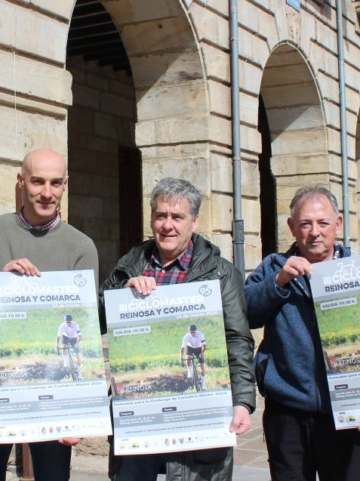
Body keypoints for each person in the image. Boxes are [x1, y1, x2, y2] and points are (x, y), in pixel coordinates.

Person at [100, 177, 255, 481]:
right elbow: (98, 320)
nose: (167, 225)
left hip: (198, 414)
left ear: (194, 222)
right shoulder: (130, 264)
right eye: (161, 216)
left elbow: (237, 339)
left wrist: (243, 401)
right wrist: (121, 290)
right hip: (139, 415)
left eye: (177, 217)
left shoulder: (221, 273)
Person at [0, 148, 99, 481]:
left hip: (56, 382)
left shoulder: (81, 247)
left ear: (66, 185)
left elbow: (86, 330)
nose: (46, 193)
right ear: (21, 182)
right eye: (37, 182)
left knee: (52, 476)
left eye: (54, 183)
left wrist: (81, 410)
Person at [244, 186, 360, 481]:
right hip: (288, 408)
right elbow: (247, 314)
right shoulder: (273, 266)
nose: (314, 232)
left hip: (345, 410)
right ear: (292, 227)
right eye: (305, 224)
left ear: (338, 224)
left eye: (323, 223)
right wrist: (278, 282)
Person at [180, 323, 207, 389]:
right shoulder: (186, 336)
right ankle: (190, 371)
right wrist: (181, 357)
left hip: (199, 348)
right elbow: (183, 348)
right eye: (191, 332)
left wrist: (202, 353)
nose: (192, 334)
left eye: (193, 332)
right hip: (190, 347)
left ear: (196, 331)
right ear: (189, 332)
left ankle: (203, 382)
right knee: (188, 357)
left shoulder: (200, 334)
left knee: (201, 365)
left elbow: (204, 346)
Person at [56, 313, 82, 379]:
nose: (68, 323)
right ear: (65, 322)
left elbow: (80, 336)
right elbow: (58, 336)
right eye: (67, 322)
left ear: (72, 321)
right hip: (66, 337)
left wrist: (77, 343)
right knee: (64, 347)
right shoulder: (62, 326)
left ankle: (79, 371)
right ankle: (66, 361)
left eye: (69, 322)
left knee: (77, 355)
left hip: (74, 338)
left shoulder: (76, 325)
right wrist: (57, 346)